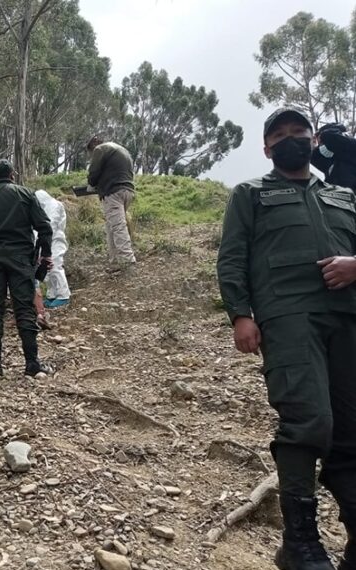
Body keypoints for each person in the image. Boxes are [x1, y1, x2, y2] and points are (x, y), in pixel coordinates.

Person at [217, 107, 356, 570]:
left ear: (314, 140)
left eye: (299, 132)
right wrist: (241, 314)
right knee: (310, 421)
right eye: (280, 134)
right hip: (288, 318)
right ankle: (299, 543)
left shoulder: (344, 195)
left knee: (351, 433)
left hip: (349, 320)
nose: (291, 139)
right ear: (266, 148)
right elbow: (232, 257)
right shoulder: (251, 194)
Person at [0, 160, 54, 377]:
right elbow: (44, 227)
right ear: (12, 175)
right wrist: (46, 254)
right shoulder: (26, 194)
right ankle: (32, 363)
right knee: (24, 308)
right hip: (20, 259)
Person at [86, 136, 136, 269]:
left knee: (118, 226)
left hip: (113, 192)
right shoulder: (122, 150)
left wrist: (91, 183)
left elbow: (94, 170)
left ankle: (127, 260)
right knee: (111, 226)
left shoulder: (100, 149)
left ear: (92, 147)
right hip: (128, 191)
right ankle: (114, 261)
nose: (91, 156)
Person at [34, 189, 71, 308]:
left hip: (56, 240)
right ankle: (52, 295)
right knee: (47, 269)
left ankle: (63, 295)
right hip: (47, 241)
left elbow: (50, 226)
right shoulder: (44, 208)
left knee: (55, 266)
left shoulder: (54, 206)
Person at [311, 122, 356, 191]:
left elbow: (329, 136)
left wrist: (322, 133)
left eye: (322, 141)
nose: (320, 144)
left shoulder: (350, 146)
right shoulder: (324, 156)